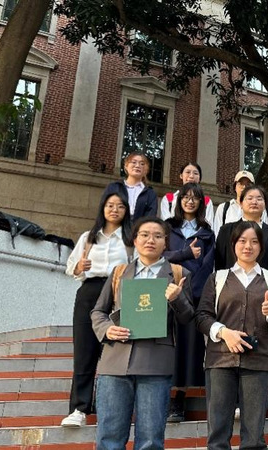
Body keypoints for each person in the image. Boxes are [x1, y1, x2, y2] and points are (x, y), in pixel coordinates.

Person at [90, 217, 195, 449]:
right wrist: (107, 329)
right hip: (115, 363)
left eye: (158, 236)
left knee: (150, 440)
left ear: (166, 242)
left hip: (155, 365)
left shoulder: (179, 273)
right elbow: (98, 311)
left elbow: (188, 318)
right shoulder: (119, 272)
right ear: (135, 240)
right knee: (108, 438)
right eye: (145, 235)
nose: (151, 240)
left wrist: (177, 299)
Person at [196, 221, 268, 450]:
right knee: (218, 432)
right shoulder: (218, 278)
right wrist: (224, 332)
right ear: (233, 244)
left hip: (258, 361)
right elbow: (202, 316)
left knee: (254, 435)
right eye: (242, 241)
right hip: (220, 360)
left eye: (254, 242)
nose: (248, 246)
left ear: (261, 247)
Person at [61, 191, 133, 428]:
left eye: (120, 206)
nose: (114, 210)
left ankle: (114, 407)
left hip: (118, 292)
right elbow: (70, 267)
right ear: (103, 208)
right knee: (85, 350)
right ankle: (79, 408)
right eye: (110, 205)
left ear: (126, 211)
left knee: (116, 350)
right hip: (89, 291)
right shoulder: (89, 237)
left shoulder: (130, 239)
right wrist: (78, 267)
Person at [163, 183, 216, 422]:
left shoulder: (207, 232)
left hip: (192, 296)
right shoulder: (168, 227)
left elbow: (207, 265)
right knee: (166, 344)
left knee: (186, 347)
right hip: (166, 292)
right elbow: (160, 256)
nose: (190, 201)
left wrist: (191, 291)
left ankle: (179, 398)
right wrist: (184, 255)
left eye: (195, 197)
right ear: (179, 200)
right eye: (186, 196)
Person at [215, 185, 268, 274]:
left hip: (263, 281)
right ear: (241, 203)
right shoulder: (226, 230)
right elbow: (219, 262)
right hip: (231, 280)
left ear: (265, 205)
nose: (254, 202)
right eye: (250, 198)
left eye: (259, 199)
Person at [103, 152, 158, 223]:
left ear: (146, 170)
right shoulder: (114, 187)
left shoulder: (150, 193)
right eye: (134, 162)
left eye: (142, 164)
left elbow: (150, 217)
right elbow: (104, 210)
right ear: (126, 166)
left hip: (138, 228)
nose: (137, 166)